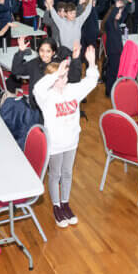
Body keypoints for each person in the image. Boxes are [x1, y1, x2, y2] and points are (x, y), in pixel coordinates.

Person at [32, 46, 99, 228]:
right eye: (62, 76)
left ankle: (65, 203)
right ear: (53, 79)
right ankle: (56, 207)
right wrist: (56, 74)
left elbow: (91, 81)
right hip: (55, 143)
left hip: (71, 141)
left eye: (66, 75)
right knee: (55, 174)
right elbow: (37, 88)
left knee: (68, 173)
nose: (66, 79)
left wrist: (92, 63)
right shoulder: (46, 97)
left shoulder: (72, 90)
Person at [101, 0, 131, 97]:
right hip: (113, 51)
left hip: (117, 51)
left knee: (115, 71)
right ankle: (109, 91)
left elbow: (125, 14)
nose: (120, 14)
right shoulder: (109, 23)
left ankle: (112, 90)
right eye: (118, 13)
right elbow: (112, 16)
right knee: (112, 72)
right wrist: (116, 7)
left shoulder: (116, 22)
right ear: (113, 13)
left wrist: (128, 4)